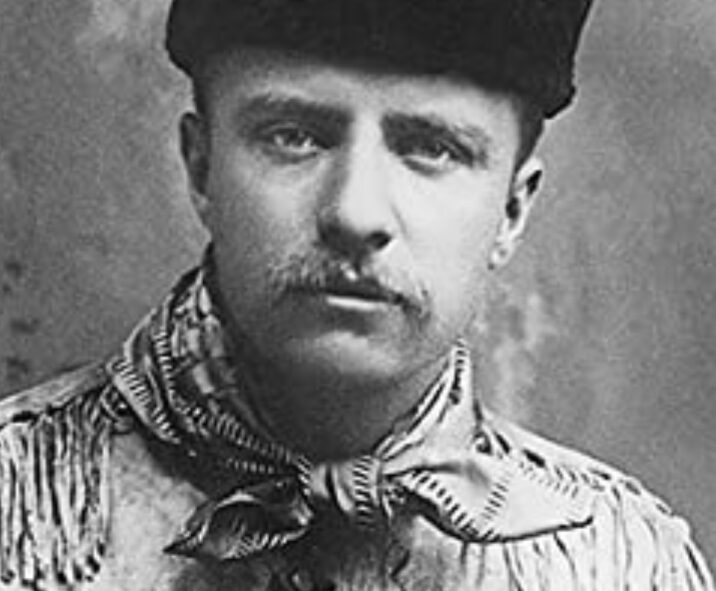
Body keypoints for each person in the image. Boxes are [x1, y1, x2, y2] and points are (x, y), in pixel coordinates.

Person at [0, 0, 712, 589]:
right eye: (293, 136)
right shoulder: (18, 508)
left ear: (512, 211)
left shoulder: (624, 563)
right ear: (201, 167)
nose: (355, 212)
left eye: (432, 147)